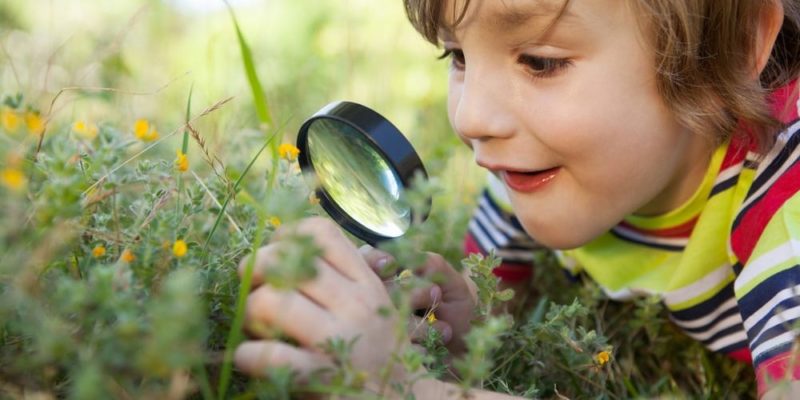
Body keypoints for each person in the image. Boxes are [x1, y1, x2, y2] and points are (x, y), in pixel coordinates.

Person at [234, 0, 800, 398]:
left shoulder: (784, 199)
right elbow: (496, 318)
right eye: (457, 57)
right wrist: (465, 334)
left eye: (540, 61)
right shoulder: (531, 169)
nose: (472, 117)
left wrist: (405, 391)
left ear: (732, 47)